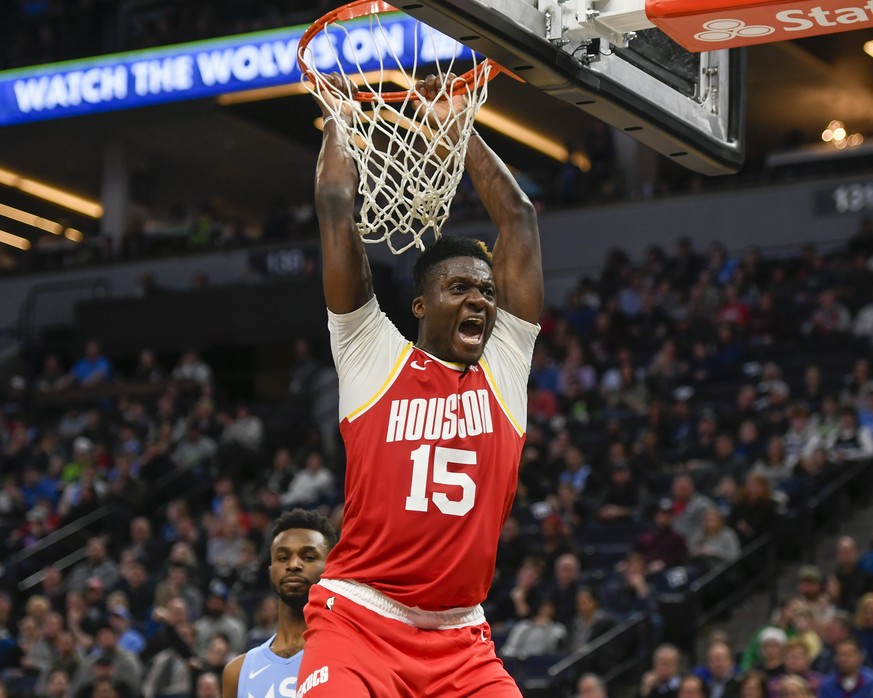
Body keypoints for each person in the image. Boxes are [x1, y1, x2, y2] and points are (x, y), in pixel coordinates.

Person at [296, 71, 543, 697]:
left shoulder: (505, 363)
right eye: (459, 289)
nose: (480, 302)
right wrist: (338, 125)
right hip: (357, 620)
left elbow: (518, 219)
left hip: (460, 642)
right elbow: (334, 210)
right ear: (420, 307)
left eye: (486, 292)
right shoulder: (369, 352)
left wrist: (455, 125)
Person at [222, 509, 337, 698]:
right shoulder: (237, 672)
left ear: (332, 568)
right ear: (270, 570)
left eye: (308, 557)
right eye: (283, 558)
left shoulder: (352, 656)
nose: (293, 565)